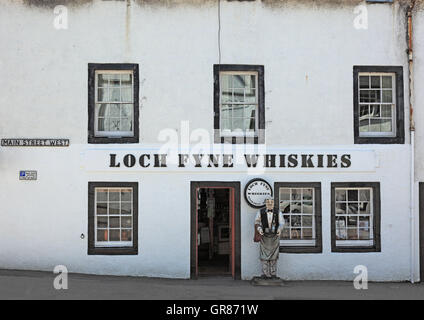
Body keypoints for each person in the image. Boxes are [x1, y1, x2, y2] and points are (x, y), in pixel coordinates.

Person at [254, 196, 284, 279]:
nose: (270, 204)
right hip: (264, 237)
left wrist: (279, 229)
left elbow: (281, 223)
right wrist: (259, 229)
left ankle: (273, 274)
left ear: (273, 203)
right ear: (265, 203)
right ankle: (265, 274)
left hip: (274, 236)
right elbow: (257, 222)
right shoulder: (261, 212)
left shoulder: (278, 212)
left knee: (274, 256)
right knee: (264, 256)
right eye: (268, 202)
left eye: (271, 202)